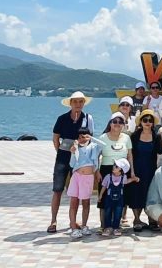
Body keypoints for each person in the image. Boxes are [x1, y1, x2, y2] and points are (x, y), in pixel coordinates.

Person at [49, 91, 95, 234]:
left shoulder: (88, 118)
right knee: (57, 189)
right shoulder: (62, 118)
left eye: (81, 101)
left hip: (80, 160)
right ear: (70, 103)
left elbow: (90, 138)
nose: (78, 104)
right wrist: (61, 152)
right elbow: (55, 138)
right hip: (63, 157)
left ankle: (73, 221)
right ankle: (53, 221)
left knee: (76, 191)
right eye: (75, 101)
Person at [95, 113, 134, 229]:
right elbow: (95, 156)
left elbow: (130, 156)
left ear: (123, 124)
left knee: (120, 197)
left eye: (120, 122)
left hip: (122, 171)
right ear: (110, 123)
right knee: (104, 198)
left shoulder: (126, 138)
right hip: (106, 169)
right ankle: (103, 225)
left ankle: (116, 224)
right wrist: (97, 171)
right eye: (115, 121)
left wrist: (132, 171)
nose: (117, 124)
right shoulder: (102, 138)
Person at [126, 109, 162, 231]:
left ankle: (152, 220)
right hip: (137, 168)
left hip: (150, 169)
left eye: (150, 120)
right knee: (136, 193)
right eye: (145, 120)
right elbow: (130, 154)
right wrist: (131, 170)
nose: (147, 122)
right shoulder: (134, 136)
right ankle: (136, 220)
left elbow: (159, 151)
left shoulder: (156, 136)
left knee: (150, 194)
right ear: (141, 122)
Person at [66, 127, 102, 238]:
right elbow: (72, 164)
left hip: (88, 178)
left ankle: (84, 225)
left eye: (84, 136)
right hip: (76, 176)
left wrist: (91, 138)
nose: (82, 139)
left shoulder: (93, 147)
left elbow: (103, 145)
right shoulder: (75, 148)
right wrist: (73, 152)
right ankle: (73, 227)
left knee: (86, 202)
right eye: (80, 137)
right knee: (73, 201)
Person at [100, 158, 132, 237]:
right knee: (107, 213)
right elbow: (104, 186)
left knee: (118, 213)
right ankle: (107, 227)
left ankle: (116, 227)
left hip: (119, 200)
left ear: (121, 170)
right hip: (109, 199)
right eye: (114, 165)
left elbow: (126, 182)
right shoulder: (108, 176)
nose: (114, 167)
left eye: (116, 166)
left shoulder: (123, 177)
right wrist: (100, 196)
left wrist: (133, 179)